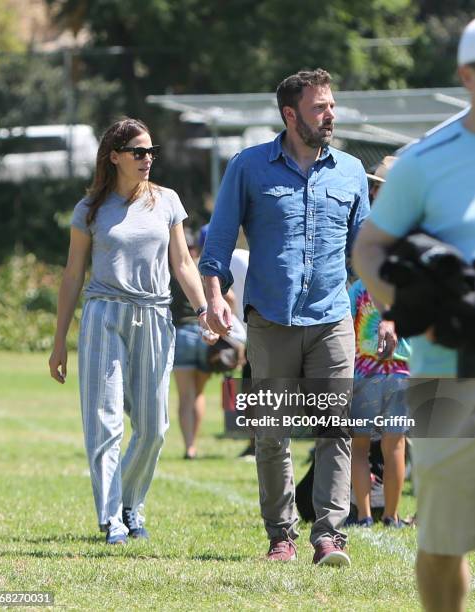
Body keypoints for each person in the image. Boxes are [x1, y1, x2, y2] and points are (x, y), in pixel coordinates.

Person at [200, 69, 370, 565]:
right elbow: (218, 244)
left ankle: (330, 536)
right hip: (270, 321)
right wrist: (214, 296)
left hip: (332, 319)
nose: (330, 115)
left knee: (335, 428)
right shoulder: (248, 167)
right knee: (272, 434)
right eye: (320, 108)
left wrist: (387, 312)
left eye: (332, 105)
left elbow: (366, 255)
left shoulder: (351, 171)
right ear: (290, 114)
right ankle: (281, 536)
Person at [352, 19, 475, 611]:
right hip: (445, 368)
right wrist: (411, 310)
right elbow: (368, 249)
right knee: (444, 539)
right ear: (467, 75)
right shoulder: (426, 162)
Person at [48, 118, 217, 545]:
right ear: (115, 156)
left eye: (151, 152)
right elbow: (72, 276)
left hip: (156, 318)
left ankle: (130, 502)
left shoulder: (167, 201)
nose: (147, 159)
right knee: (106, 424)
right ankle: (112, 520)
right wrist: (58, 343)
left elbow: (182, 263)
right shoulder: (89, 210)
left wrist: (203, 308)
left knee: (154, 426)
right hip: (104, 315)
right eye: (138, 152)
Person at [348, 156, 411, 528]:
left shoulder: (369, 232)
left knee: (360, 443)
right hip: (402, 364)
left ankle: (363, 514)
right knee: (395, 443)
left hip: (363, 365)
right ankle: (391, 515)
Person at [170, 227, 213, 460]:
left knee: (185, 395)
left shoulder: (174, 270)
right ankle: (194, 444)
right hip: (204, 333)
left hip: (182, 334)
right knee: (199, 393)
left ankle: (189, 446)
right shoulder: (205, 269)